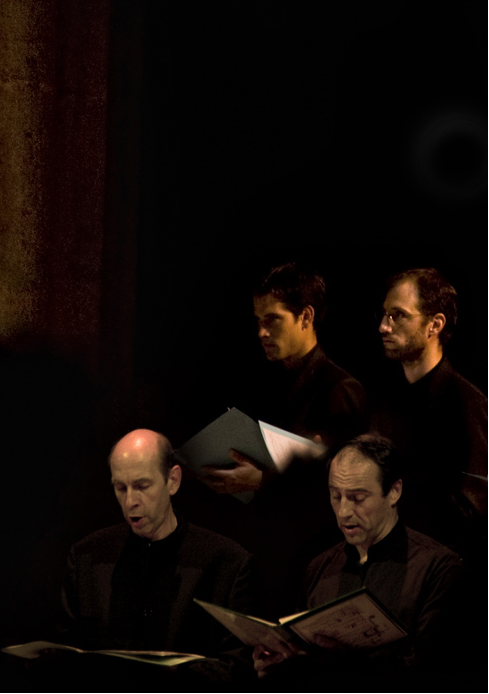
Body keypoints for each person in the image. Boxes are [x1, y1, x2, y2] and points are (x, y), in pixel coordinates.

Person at [188, 263, 367, 619]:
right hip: (266, 555)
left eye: (272, 320)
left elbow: (345, 489)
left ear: (306, 317)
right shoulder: (268, 383)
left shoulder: (339, 389)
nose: (261, 332)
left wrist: (262, 481)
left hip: (313, 566)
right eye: (258, 321)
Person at [251, 434, 470, 692]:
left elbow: (433, 677)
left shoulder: (438, 568)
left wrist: (348, 666)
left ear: (394, 491)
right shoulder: (320, 567)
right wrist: (278, 665)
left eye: (358, 498)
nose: (344, 512)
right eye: (336, 496)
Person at [42, 429, 258, 688]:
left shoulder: (228, 563)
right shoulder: (87, 556)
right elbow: (67, 650)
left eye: (142, 486)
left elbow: (239, 669)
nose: (130, 501)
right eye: (120, 488)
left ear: (173, 480)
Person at [370, 267, 487, 559]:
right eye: (385, 315)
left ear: (434, 325)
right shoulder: (383, 398)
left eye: (398, 315)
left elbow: (472, 512)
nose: (383, 327)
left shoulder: (468, 405)